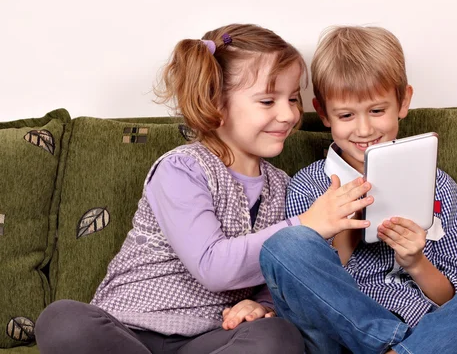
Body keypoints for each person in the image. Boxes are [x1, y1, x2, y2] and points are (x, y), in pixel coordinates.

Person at [35, 23, 370, 354]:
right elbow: (213, 266)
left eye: (294, 98)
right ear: (216, 103)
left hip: (210, 339)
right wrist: (307, 225)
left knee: (279, 336)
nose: (289, 114)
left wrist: (260, 303)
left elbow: (280, 275)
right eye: (268, 101)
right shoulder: (182, 169)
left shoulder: (282, 185)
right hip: (128, 330)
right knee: (62, 318)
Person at [259, 26, 457, 354]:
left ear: (403, 101)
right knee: (285, 245)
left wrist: (415, 261)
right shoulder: (308, 186)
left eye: (377, 110)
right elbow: (309, 289)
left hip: (431, 331)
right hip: (342, 340)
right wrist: (344, 229)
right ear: (324, 113)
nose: (364, 128)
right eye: (346, 115)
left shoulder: (438, 184)